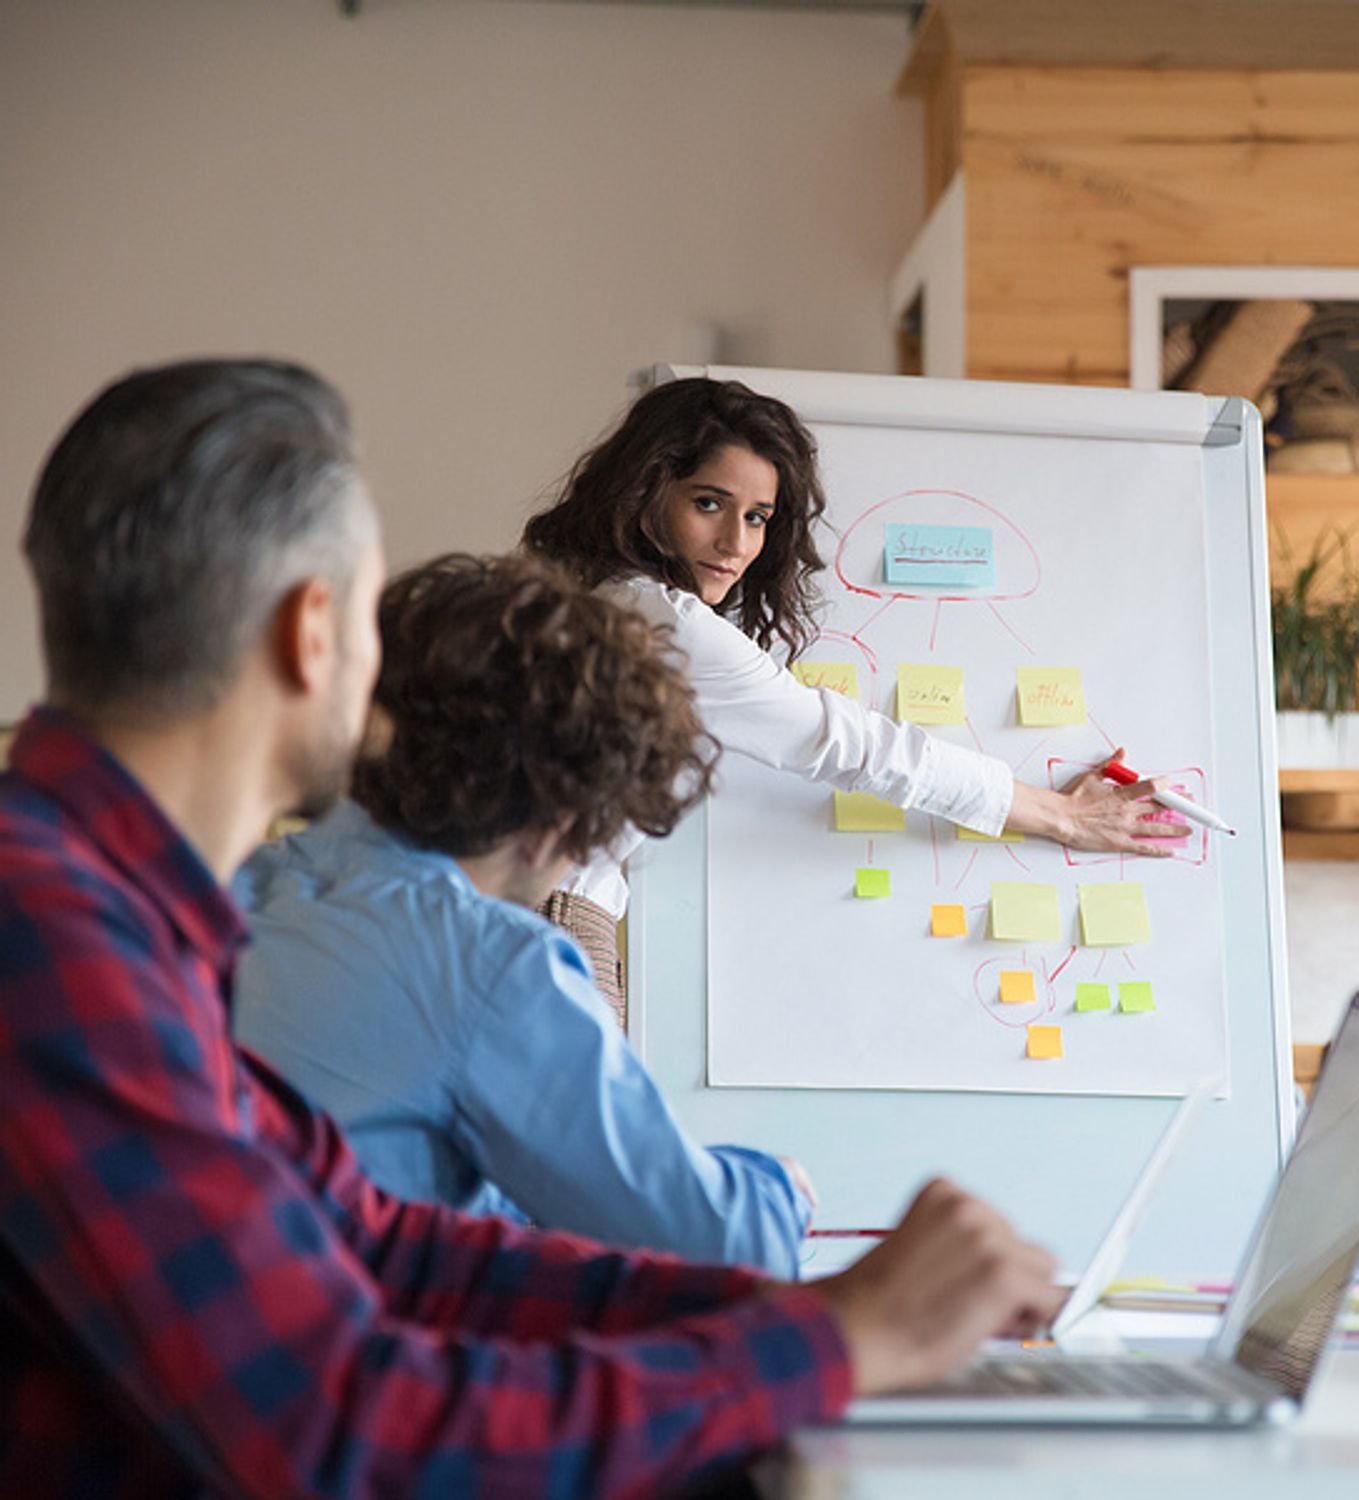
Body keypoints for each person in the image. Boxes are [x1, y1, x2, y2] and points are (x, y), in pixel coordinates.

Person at [0, 358, 1062, 1496]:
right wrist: (834, 1342)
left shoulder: (137, 916)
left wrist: (813, 1311)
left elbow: (377, 1241)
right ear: (316, 634)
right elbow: (335, 1425)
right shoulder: (56, 937)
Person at [521, 377, 1188, 1011]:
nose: (735, 542)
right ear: (645, 491)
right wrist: (1062, 816)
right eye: (708, 503)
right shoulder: (665, 624)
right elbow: (856, 747)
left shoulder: (575, 598)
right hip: (551, 924)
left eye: (757, 517)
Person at [233, 551, 816, 1275]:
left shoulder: (234, 888)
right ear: (562, 819)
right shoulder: (491, 963)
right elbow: (718, 1244)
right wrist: (780, 1189)